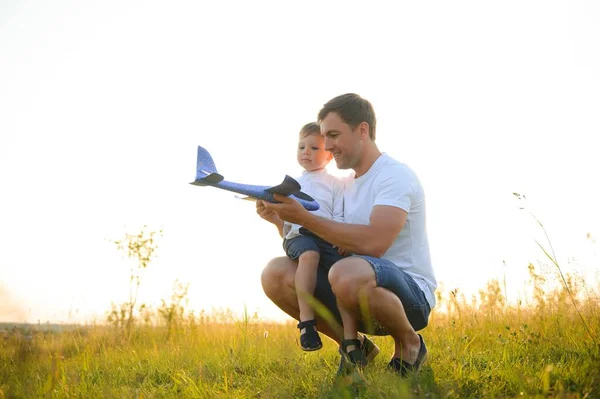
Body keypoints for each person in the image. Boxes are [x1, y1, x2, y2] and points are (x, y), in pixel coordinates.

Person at [256, 93, 437, 377]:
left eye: (334, 135)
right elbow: (321, 240)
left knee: (346, 271)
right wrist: (283, 222)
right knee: (275, 273)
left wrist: (304, 217)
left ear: (362, 130)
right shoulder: (342, 185)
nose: (327, 145)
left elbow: (374, 245)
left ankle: (410, 344)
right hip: (351, 290)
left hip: (409, 298)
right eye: (325, 137)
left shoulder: (394, 176)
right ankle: (355, 348)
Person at [262, 122, 346, 351]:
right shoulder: (291, 185)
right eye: (301, 147)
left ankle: (351, 340)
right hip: (299, 237)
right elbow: (288, 226)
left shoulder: (337, 185)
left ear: (329, 155)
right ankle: (307, 322)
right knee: (309, 254)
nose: (306, 152)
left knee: (342, 271)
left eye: (314, 148)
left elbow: (339, 215)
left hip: (326, 238)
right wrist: (275, 219)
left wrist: (340, 239)